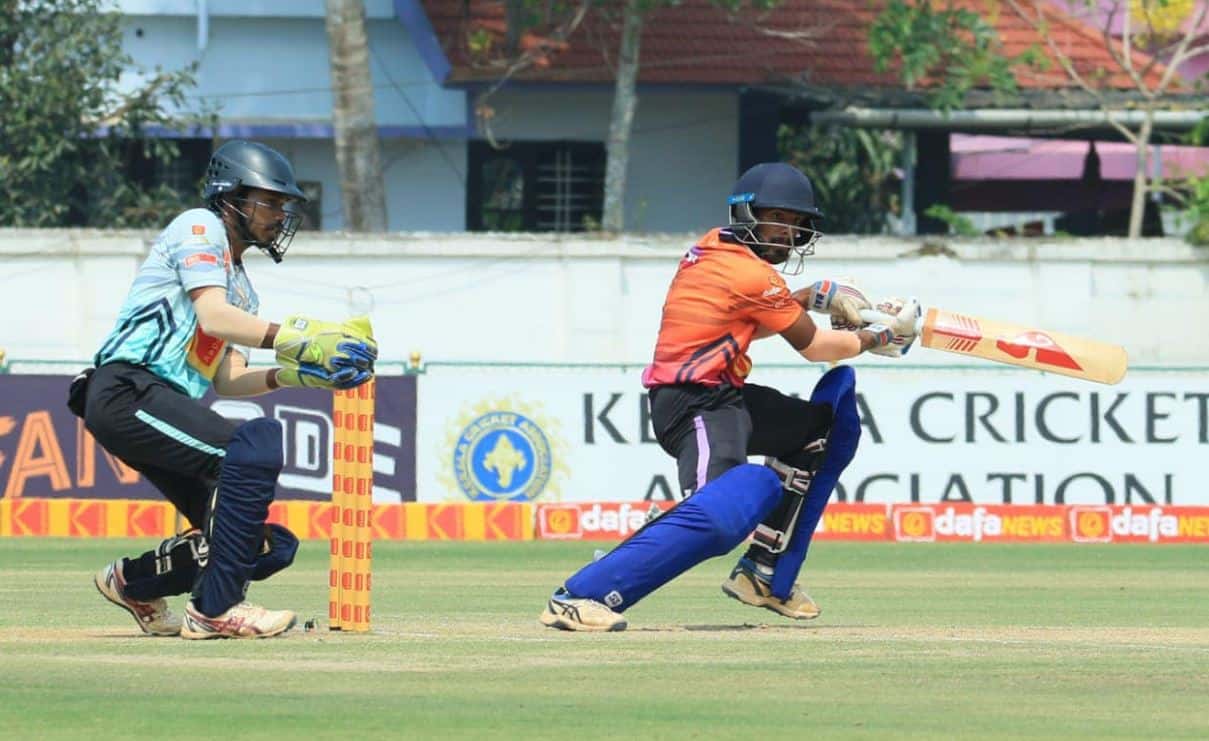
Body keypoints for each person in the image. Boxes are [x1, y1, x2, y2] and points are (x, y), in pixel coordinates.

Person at [538, 162, 918, 631]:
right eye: (777, 219)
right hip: (692, 405)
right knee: (722, 512)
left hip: (725, 397)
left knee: (821, 428)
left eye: (795, 223)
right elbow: (819, 348)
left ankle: (764, 572)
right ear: (746, 213)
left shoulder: (715, 248)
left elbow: (744, 324)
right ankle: (583, 594)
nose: (787, 233)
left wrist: (806, 299)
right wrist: (880, 337)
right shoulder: (750, 273)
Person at [69, 140, 377, 639]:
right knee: (255, 443)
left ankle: (133, 582)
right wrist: (300, 338)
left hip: (158, 402)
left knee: (267, 546)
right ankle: (215, 608)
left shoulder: (243, 289)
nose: (280, 215)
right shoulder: (199, 227)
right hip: (125, 390)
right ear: (231, 196)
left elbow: (227, 379)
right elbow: (213, 316)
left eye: (283, 205)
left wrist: (299, 374)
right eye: (270, 201)